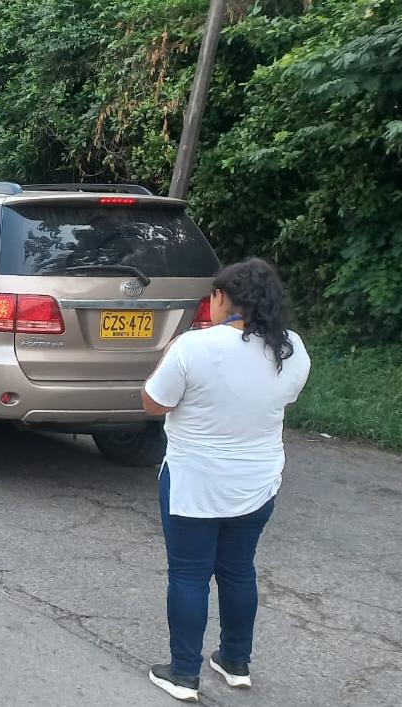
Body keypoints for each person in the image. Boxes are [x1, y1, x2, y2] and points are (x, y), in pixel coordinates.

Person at [141, 258, 311, 703]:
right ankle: (235, 661)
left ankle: (182, 674)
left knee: (190, 574)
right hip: (258, 482)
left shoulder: (193, 347)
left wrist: (164, 358)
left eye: (211, 298)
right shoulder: (291, 348)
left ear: (221, 298)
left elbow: (154, 404)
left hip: (194, 481)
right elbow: (280, 400)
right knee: (238, 570)